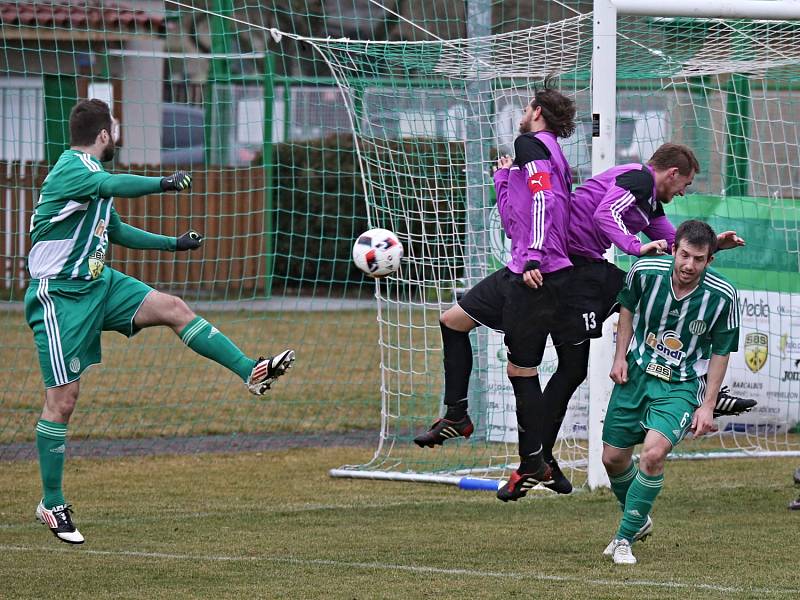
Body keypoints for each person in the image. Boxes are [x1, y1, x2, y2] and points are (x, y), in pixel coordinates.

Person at [27, 99, 295, 544]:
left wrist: (173, 244)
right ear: (104, 135)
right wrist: (163, 183)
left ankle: (251, 371)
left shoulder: (93, 182)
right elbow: (114, 181)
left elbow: (115, 231)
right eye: (115, 128)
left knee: (173, 308)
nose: (117, 135)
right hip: (60, 296)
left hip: (99, 284)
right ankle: (50, 503)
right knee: (63, 400)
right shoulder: (73, 168)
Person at [539, 144, 747, 495]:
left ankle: (538, 456)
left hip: (583, 271)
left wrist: (714, 247)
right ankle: (536, 453)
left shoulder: (650, 203)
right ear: (672, 174)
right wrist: (635, 249)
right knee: (640, 285)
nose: (683, 192)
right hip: (573, 269)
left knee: (572, 368)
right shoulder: (637, 178)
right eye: (686, 184)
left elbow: (678, 245)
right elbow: (605, 215)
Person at [413, 86, 576, 501]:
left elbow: (543, 200)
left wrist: (537, 256)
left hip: (534, 274)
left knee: (522, 372)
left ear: (537, 112)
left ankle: (533, 461)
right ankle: (456, 415)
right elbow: (514, 221)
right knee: (452, 321)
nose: (521, 114)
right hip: (518, 270)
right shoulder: (547, 153)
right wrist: (503, 180)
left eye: (525, 108)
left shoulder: (531, 143)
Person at [601, 219, 740, 565]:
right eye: (685, 255)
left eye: (699, 259)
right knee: (612, 459)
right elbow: (627, 309)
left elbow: (722, 352)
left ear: (710, 261)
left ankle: (623, 538)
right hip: (635, 374)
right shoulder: (645, 271)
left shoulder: (722, 297)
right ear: (673, 249)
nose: (689, 265)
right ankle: (639, 516)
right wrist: (620, 357)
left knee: (652, 454)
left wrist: (707, 405)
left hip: (680, 385)